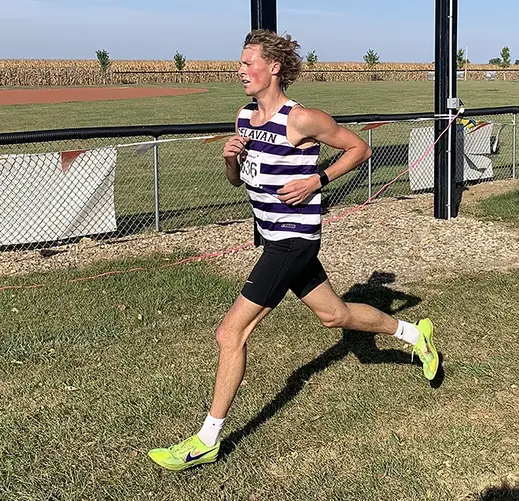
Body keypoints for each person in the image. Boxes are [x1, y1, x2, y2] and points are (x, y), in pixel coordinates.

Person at [147, 29, 440, 472]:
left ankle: (207, 439)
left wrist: (316, 180)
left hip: (292, 238)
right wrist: (229, 158)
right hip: (273, 235)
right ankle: (415, 335)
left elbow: (360, 147)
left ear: (274, 68)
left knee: (231, 333)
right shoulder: (243, 116)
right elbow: (236, 180)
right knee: (334, 315)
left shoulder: (300, 119)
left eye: (249, 63)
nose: (240, 70)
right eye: (240, 63)